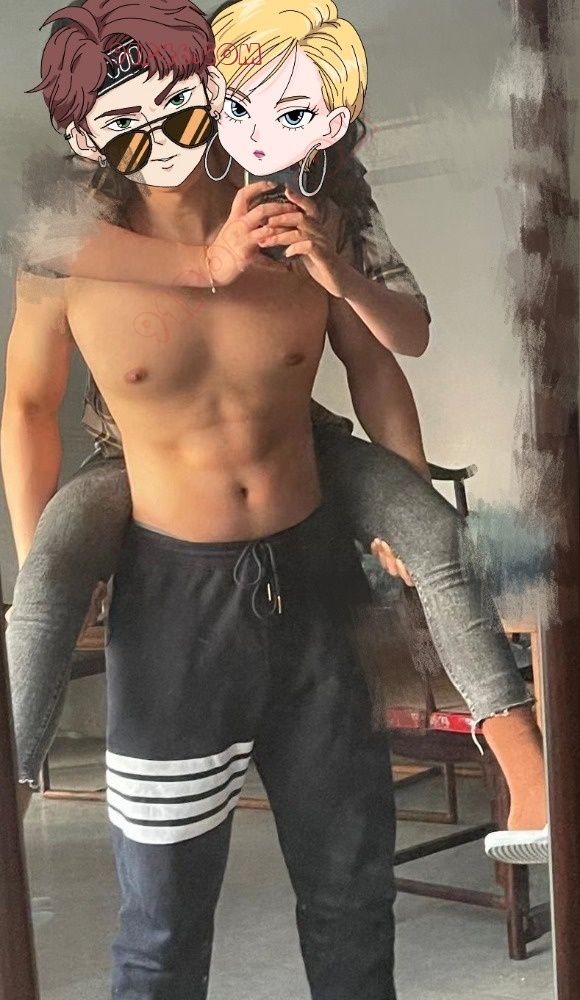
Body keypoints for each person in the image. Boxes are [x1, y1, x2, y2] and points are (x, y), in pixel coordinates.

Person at [3, 5, 548, 991]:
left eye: (182, 105)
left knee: (352, 910)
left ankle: (526, 761)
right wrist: (50, 548)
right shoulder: (72, 251)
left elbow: (377, 363)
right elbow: (28, 405)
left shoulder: (308, 205)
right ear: (84, 134)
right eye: (125, 119)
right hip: (170, 598)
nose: (163, 135)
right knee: (160, 937)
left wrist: (404, 497)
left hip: (316, 578)